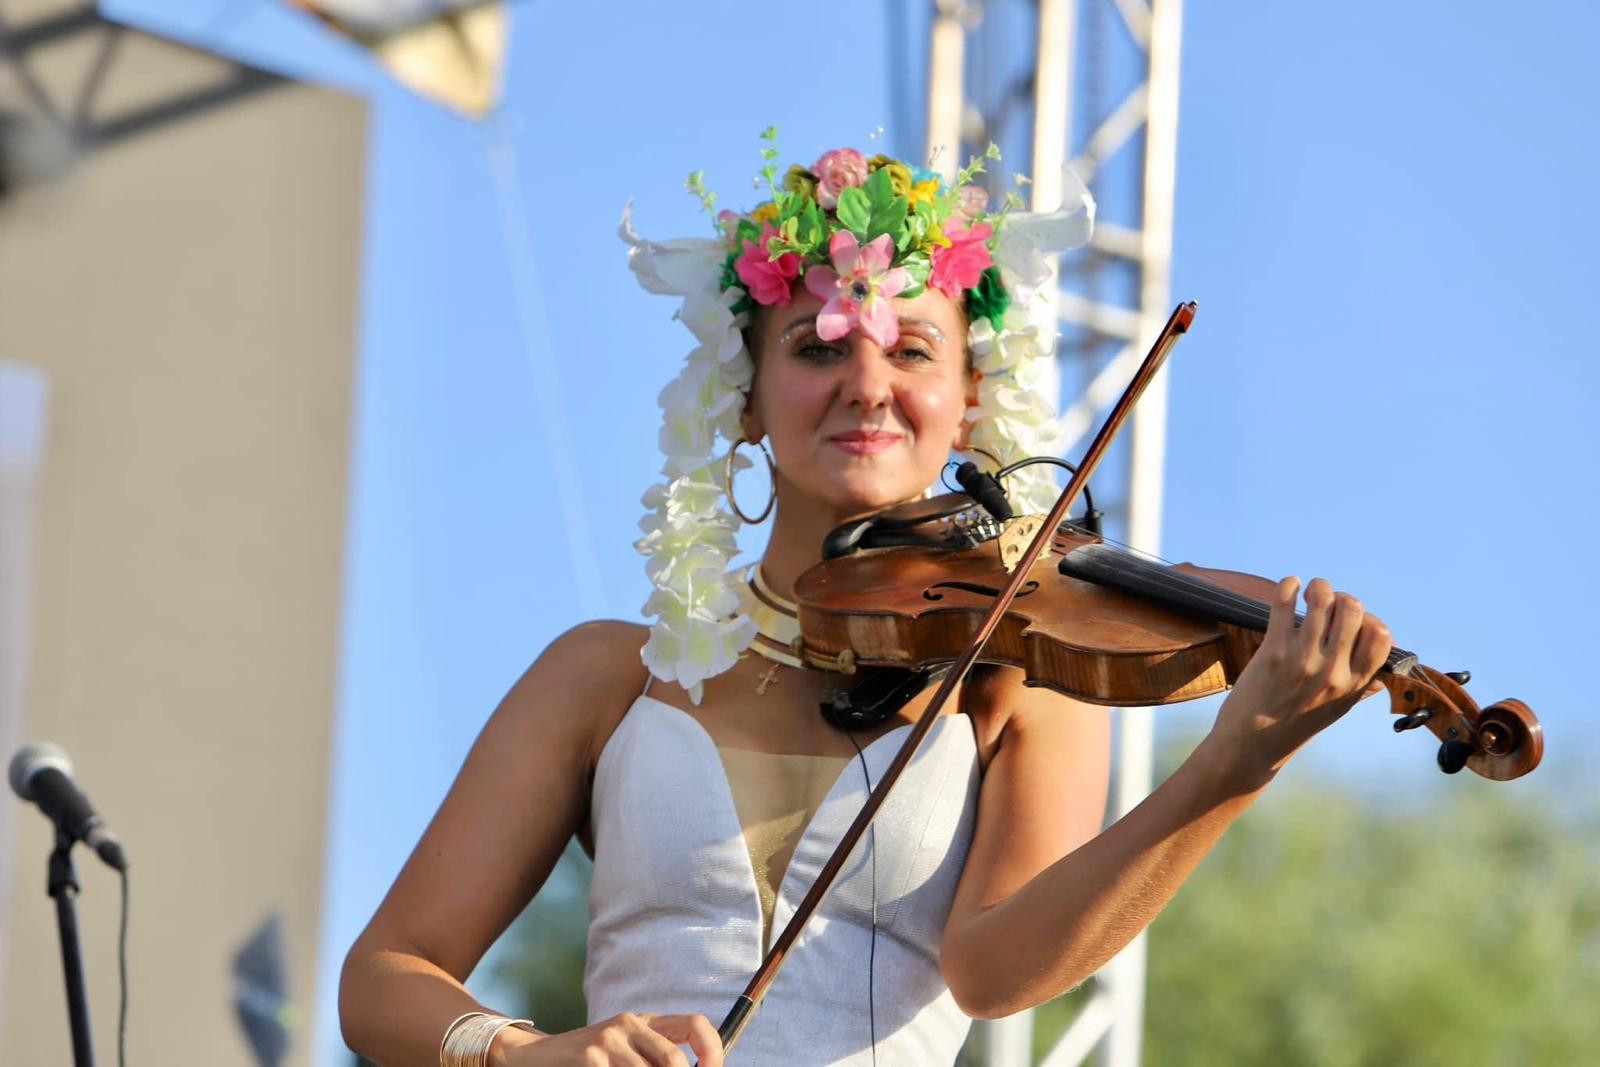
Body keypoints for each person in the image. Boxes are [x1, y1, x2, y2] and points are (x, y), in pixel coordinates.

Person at [338, 138, 1391, 1067]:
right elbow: (386, 973)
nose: (868, 384)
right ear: (741, 397)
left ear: (969, 399)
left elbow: (991, 970)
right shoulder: (607, 674)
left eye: (914, 350)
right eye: (817, 346)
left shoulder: (1016, 675)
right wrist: (525, 1049)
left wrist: (1232, 762)